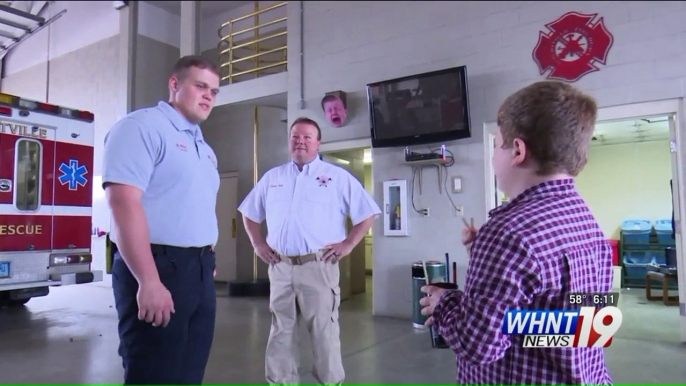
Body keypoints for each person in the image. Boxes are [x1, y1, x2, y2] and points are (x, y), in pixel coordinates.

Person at [420, 80, 614, 384]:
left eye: (497, 145)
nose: (494, 155)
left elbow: (479, 345)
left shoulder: (508, 232)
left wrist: (444, 302)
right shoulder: (587, 223)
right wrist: (485, 254)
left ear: (518, 151)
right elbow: (587, 324)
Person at [102, 55, 221, 385]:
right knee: (154, 372)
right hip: (157, 267)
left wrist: (206, 257)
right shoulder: (141, 127)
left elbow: (197, 205)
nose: (209, 95)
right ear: (174, 85)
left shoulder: (205, 148)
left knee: (189, 373)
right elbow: (123, 202)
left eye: (214, 90)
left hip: (198, 271)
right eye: (200, 86)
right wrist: (149, 281)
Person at [238, 117, 381, 385]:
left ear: (318, 142)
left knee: (324, 333)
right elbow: (249, 213)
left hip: (318, 268)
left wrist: (348, 244)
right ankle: (281, 382)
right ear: (289, 140)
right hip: (280, 268)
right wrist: (258, 244)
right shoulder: (273, 178)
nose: (300, 141)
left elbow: (368, 213)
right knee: (281, 331)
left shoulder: (337, 177)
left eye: (307, 137)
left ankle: (330, 382)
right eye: (295, 136)